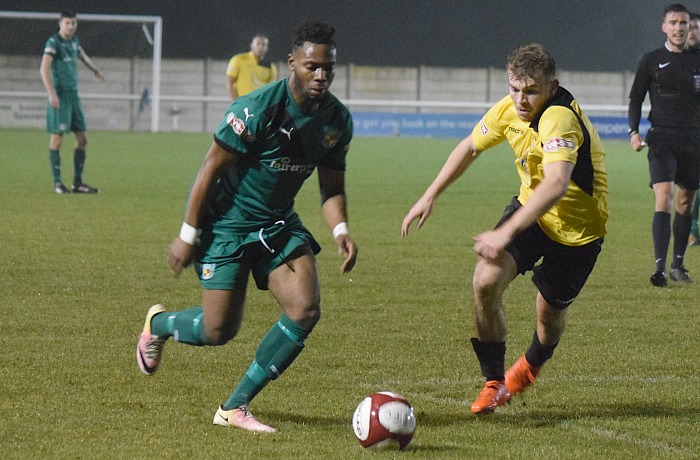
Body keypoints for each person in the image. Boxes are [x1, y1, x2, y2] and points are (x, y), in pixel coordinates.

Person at [136, 19, 357, 433]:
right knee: (218, 330)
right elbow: (209, 170)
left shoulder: (336, 122)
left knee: (306, 309)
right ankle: (159, 325)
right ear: (291, 63)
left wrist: (341, 230)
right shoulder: (256, 109)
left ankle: (233, 407)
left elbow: (331, 188)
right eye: (312, 66)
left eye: (328, 68)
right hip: (229, 225)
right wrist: (188, 235)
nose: (322, 76)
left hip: (277, 224)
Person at [402, 43, 608, 415]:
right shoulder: (507, 109)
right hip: (533, 212)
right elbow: (470, 146)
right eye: (514, 88)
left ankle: (530, 365)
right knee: (485, 280)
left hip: (579, 231)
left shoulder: (559, 118)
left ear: (551, 86)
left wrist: (504, 231)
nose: (520, 99)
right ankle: (494, 382)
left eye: (530, 90)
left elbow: (557, 183)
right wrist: (429, 195)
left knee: (548, 317)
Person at [628, 3, 700, 284]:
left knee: (686, 202)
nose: (680, 28)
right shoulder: (650, 60)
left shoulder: (697, 61)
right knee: (664, 197)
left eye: (684, 23)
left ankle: (677, 265)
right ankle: (658, 268)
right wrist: (634, 131)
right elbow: (636, 98)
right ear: (664, 27)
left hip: (693, 140)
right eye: (674, 23)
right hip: (661, 139)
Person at [39, 10, 102, 194]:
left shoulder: (74, 42)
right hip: (60, 95)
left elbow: (83, 57)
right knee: (57, 138)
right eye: (67, 23)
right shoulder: (53, 42)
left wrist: (95, 70)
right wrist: (51, 93)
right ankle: (58, 183)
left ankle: (77, 183)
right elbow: (43, 69)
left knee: (82, 139)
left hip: (74, 96)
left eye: (73, 23)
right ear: (60, 23)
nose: (71, 26)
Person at [225, 34, 277, 101]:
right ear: (251, 45)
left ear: (267, 47)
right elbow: (229, 83)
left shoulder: (270, 67)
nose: (261, 47)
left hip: (260, 105)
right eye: (258, 44)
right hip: (243, 104)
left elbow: (270, 89)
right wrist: (236, 104)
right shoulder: (238, 60)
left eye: (264, 45)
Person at [688, 11, 700, 246]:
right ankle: (692, 229)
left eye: (697, 28)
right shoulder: (675, 61)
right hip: (686, 133)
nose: (692, 32)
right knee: (688, 185)